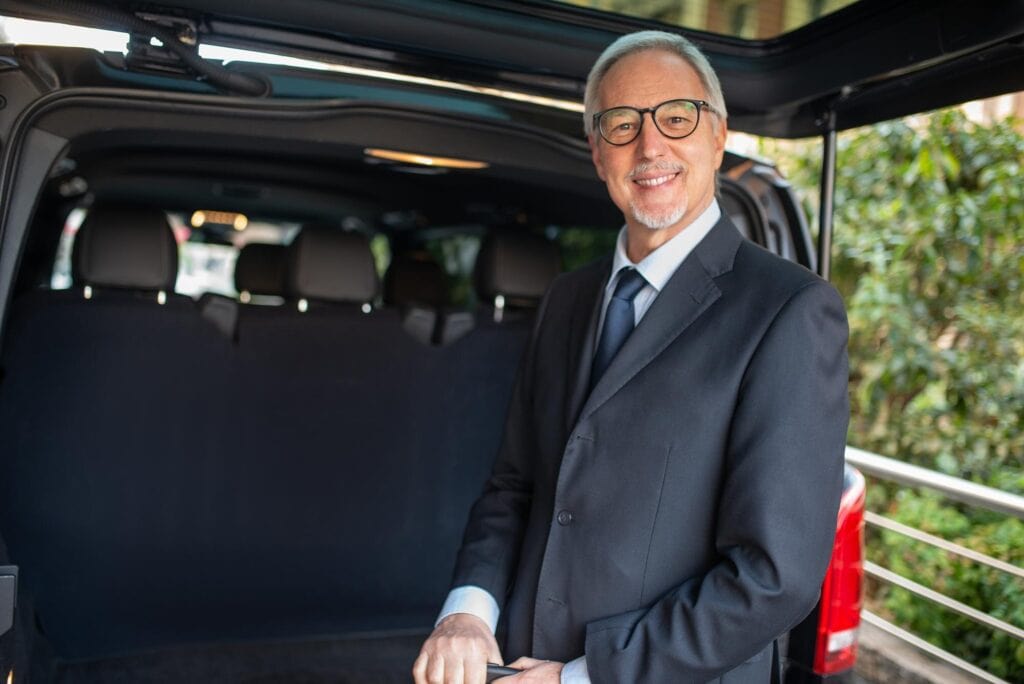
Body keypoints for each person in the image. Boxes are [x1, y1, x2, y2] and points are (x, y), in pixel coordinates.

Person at [413, 30, 849, 684]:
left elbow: (773, 578)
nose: (651, 146)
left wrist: (582, 677)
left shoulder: (789, 310)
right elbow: (515, 486)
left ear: (717, 134)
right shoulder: (567, 298)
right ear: (596, 152)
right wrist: (468, 613)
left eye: (677, 117)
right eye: (621, 124)